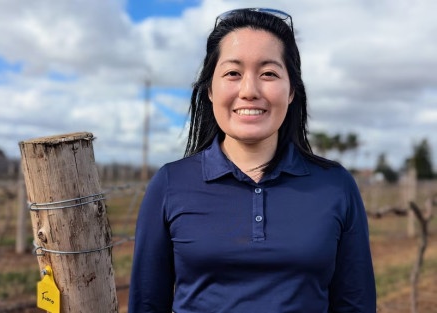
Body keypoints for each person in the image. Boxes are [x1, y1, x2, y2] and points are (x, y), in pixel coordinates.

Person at [128, 8, 376, 313]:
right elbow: (147, 304)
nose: (249, 90)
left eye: (269, 73)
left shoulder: (335, 185)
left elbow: (356, 304)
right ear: (209, 90)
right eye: (233, 73)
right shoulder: (170, 184)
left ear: (291, 92)